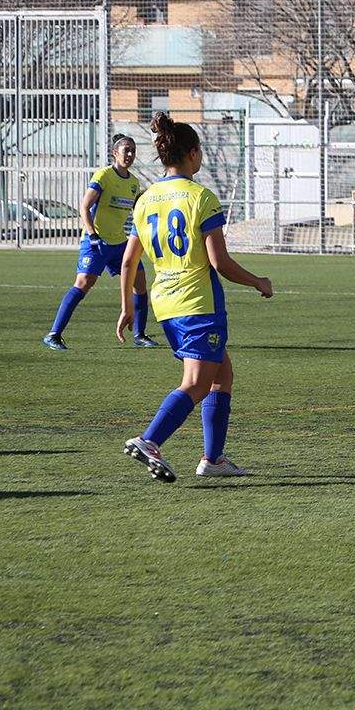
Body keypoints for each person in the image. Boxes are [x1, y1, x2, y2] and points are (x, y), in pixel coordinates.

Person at [118, 113, 273, 482]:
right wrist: (258, 282)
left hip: (165, 304)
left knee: (222, 374)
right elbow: (220, 263)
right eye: (200, 150)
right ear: (191, 153)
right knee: (197, 383)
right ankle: (149, 440)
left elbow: (128, 262)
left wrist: (127, 307)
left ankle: (213, 460)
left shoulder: (146, 199)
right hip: (197, 302)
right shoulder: (201, 197)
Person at [42, 134, 158, 350]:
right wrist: (92, 234)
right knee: (84, 283)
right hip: (96, 242)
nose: (130, 154)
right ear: (115, 153)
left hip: (120, 243)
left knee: (140, 282)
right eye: (126, 150)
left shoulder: (134, 183)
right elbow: (84, 207)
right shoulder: (103, 176)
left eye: (133, 151)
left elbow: (138, 211)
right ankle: (54, 334)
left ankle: (139, 334)